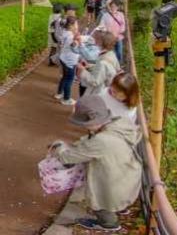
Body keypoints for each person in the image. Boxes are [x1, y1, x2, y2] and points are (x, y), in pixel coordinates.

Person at [49, 94, 142, 232]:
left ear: (93, 121)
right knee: (115, 200)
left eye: (85, 124)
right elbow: (92, 143)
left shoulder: (101, 141)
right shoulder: (119, 122)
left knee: (101, 202)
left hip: (113, 188)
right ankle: (121, 209)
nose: (85, 128)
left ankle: (108, 224)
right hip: (128, 176)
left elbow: (68, 157)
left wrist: (58, 147)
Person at [77, 30, 121, 98]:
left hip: (98, 92)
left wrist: (82, 71)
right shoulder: (111, 54)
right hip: (107, 88)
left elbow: (95, 81)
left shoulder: (102, 62)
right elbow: (112, 69)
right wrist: (91, 66)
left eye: (98, 40)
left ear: (101, 42)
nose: (96, 41)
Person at [54, 16, 81, 106]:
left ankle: (59, 93)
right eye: (76, 24)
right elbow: (73, 45)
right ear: (71, 25)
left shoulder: (65, 32)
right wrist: (77, 40)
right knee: (69, 79)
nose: (77, 25)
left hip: (64, 58)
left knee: (64, 77)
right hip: (70, 61)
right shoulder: (70, 36)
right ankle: (66, 98)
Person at [99, 0, 126, 64]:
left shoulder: (121, 14)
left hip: (118, 37)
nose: (113, 8)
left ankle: (118, 65)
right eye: (112, 6)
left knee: (119, 52)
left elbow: (123, 24)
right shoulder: (105, 15)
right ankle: (113, 65)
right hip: (109, 38)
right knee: (111, 52)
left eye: (115, 6)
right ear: (110, 7)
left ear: (117, 7)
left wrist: (119, 32)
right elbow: (101, 25)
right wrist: (106, 31)